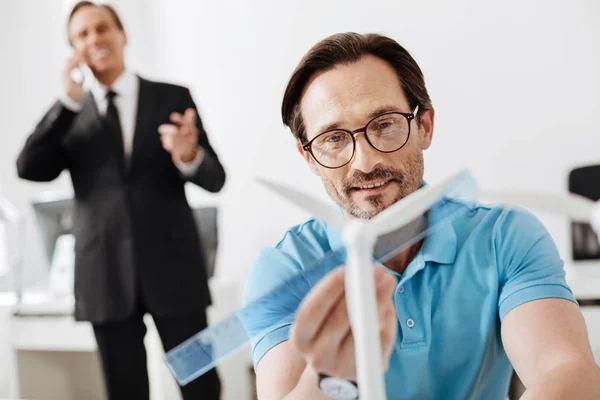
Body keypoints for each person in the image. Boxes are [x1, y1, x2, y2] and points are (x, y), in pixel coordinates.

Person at [242, 32, 600, 399]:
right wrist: (331, 376)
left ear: (424, 126)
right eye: (333, 138)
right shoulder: (283, 270)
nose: (365, 162)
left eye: (384, 124)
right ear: (309, 158)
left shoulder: (504, 236)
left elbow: (567, 371)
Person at [16, 2, 223, 399]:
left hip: (175, 271)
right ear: (74, 48)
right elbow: (28, 167)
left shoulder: (172, 97)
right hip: (105, 275)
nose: (94, 39)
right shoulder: (70, 114)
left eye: (102, 28)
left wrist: (187, 156)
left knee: (202, 387)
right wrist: (67, 100)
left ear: (122, 34)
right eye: (82, 34)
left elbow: (216, 178)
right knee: (124, 391)